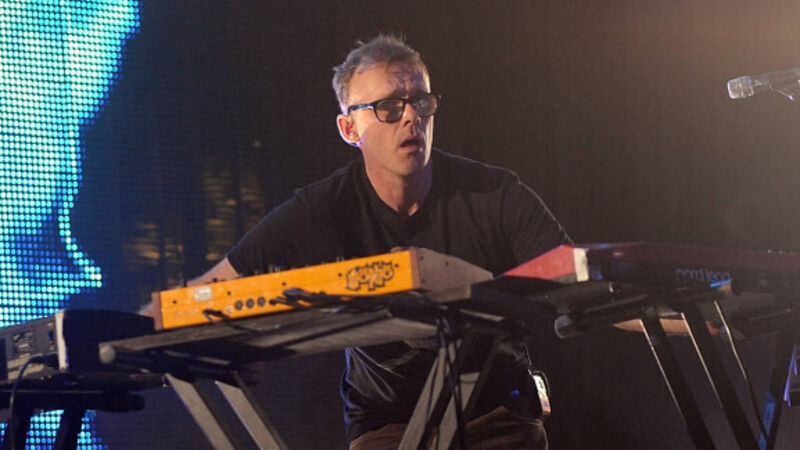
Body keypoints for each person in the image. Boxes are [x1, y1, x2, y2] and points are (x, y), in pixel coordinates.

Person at [189, 35, 570, 449]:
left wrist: (631, 306)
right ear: (349, 128)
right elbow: (210, 289)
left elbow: (580, 280)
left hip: (496, 413)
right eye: (388, 107)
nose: (411, 117)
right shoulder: (322, 208)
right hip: (388, 424)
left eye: (421, 102)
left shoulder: (494, 193)